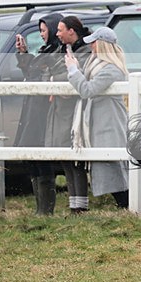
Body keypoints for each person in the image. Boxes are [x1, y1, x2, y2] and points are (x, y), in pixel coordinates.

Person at [65, 27, 130, 209]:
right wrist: (76, 69)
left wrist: (72, 71)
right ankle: (125, 205)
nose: (91, 46)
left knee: (112, 166)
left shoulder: (111, 69)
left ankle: (127, 205)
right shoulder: (99, 65)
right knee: (108, 166)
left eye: (94, 42)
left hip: (108, 123)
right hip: (100, 122)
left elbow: (87, 90)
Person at [14, 13, 62, 215]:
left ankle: (46, 209)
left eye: (44, 30)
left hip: (45, 112)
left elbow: (42, 76)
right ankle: (40, 208)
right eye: (40, 30)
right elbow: (32, 74)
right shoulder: (46, 51)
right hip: (34, 110)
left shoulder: (58, 52)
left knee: (42, 158)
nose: (42, 34)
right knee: (33, 157)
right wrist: (24, 54)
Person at [47, 15, 92, 214]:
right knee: (66, 158)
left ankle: (80, 206)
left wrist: (51, 79)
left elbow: (73, 75)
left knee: (76, 158)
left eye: (60, 29)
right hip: (60, 110)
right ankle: (74, 204)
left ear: (71, 31)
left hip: (74, 111)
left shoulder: (85, 51)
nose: (57, 33)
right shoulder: (65, 49)